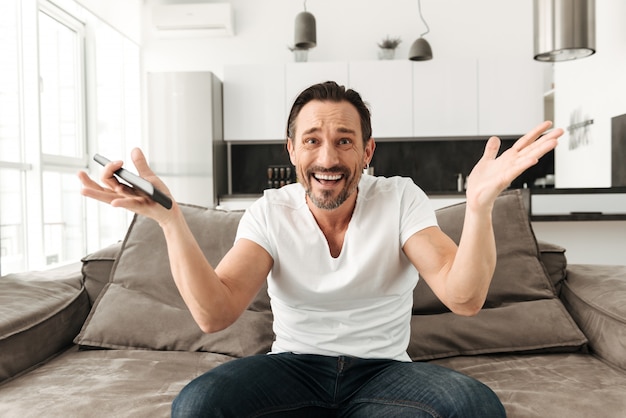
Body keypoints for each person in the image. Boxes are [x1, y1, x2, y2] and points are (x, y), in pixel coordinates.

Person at [79, 81, 562, 417]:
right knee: (198, 406)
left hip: (385, 376)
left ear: (367, 152)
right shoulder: (270, 212)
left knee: (475, 408)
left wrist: (478, 209)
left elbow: (464, 297)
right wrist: (170, 219)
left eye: (344, 141)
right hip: (292, 369)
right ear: (291, 150)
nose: (328, 157)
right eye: (312, 140)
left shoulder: (400, 199)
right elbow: (214, 313)